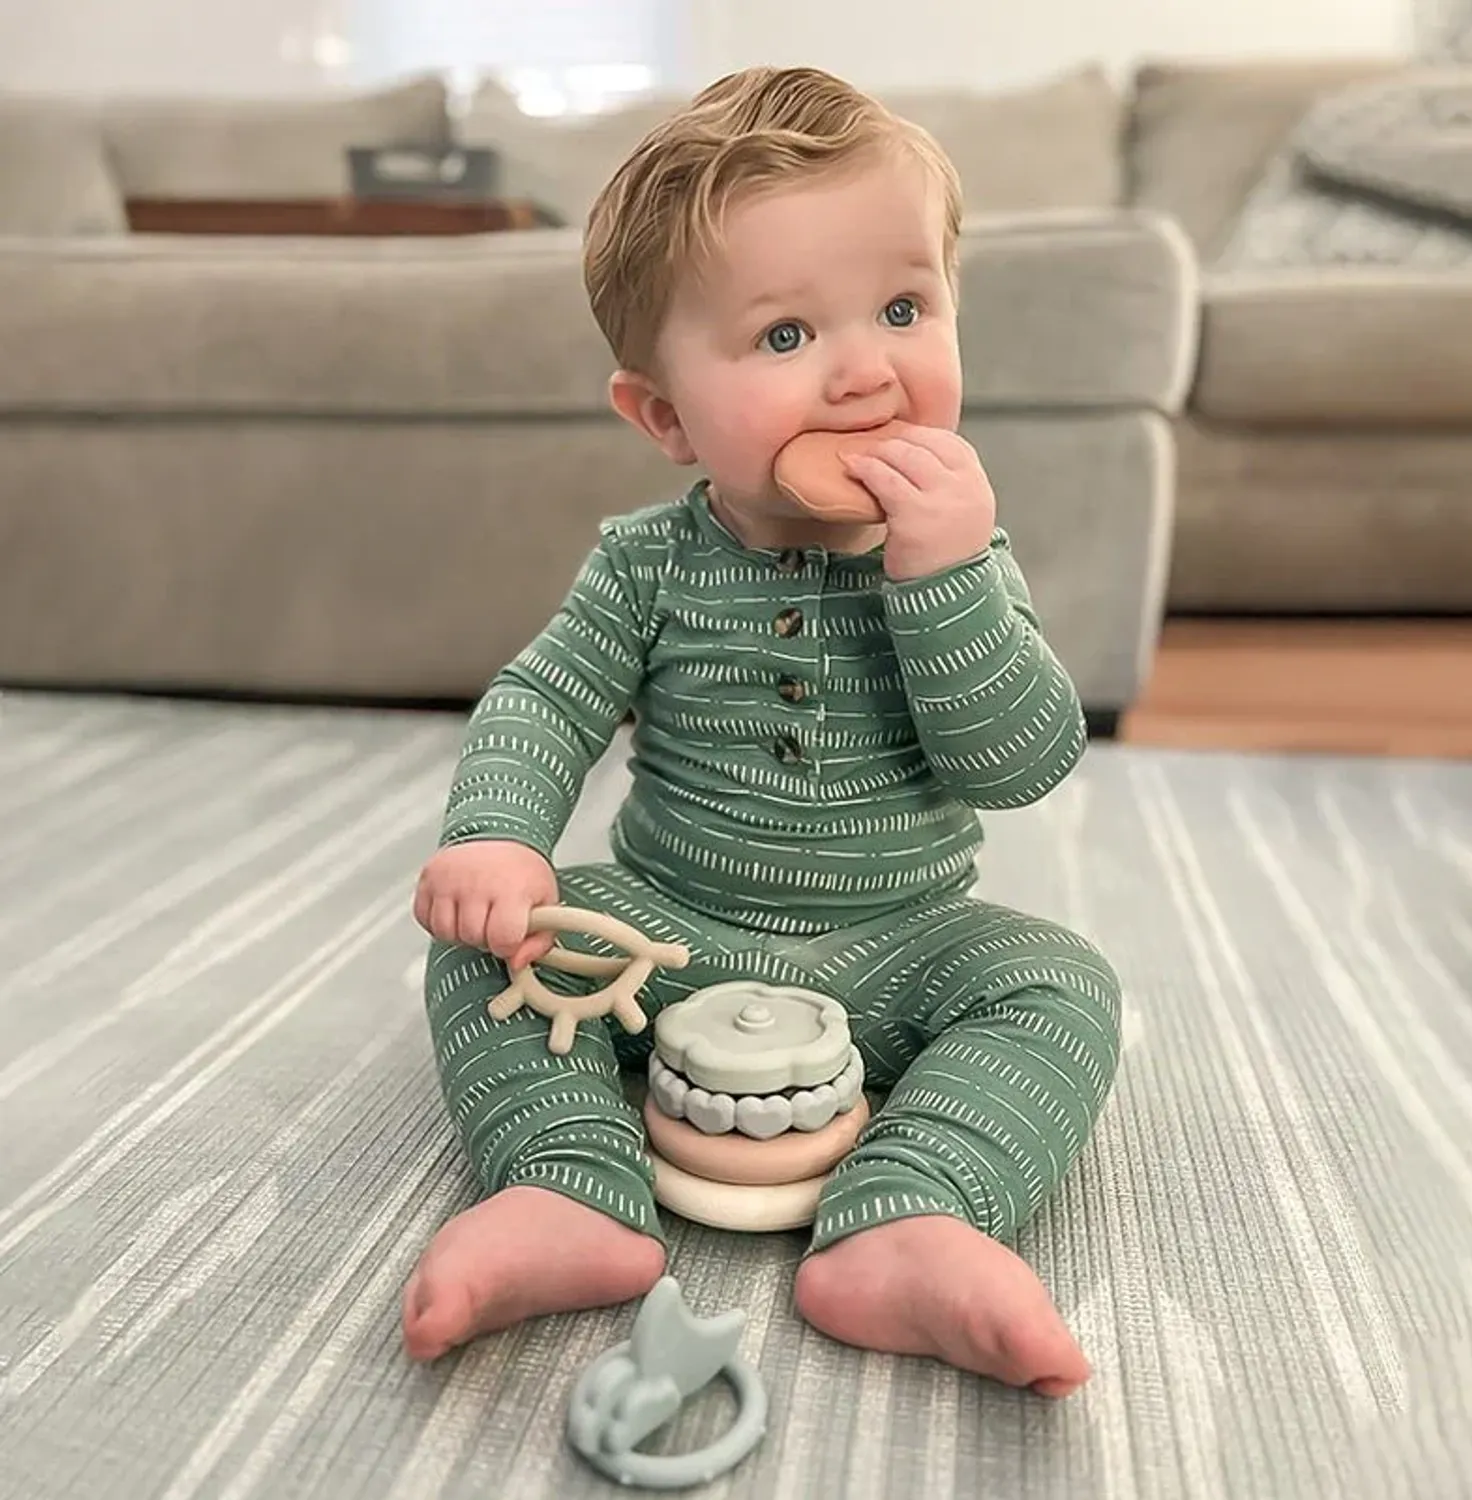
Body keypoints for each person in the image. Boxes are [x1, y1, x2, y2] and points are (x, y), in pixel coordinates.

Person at [402, 64, 1121, 1398]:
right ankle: (568, 1183)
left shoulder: (962, 555)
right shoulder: (647, 564)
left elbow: (1019, 764)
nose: (864, 372)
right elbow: (544, 698)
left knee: (1059, 985)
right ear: (666, 417)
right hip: (667, 933)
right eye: (786, 335)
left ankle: (914, 1214)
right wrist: (498, 842)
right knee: (485, 960)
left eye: (903, 309)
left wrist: (944, 580)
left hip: (901, 940)